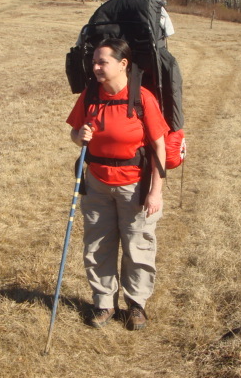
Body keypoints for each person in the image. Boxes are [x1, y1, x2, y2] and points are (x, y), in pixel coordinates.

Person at [66, 38, 169, 331]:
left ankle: (136, 305)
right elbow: (75, 133)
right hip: (97, 182)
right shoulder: (89, 96)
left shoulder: (142, 98)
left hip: (134, 185)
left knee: (138, 246)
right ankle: (103, 303)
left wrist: (155, 191)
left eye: (103, 62)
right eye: (94, 62)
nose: (96, 67)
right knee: (97, 245)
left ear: (123, 64)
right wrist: (80, 136)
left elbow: (159, 147)